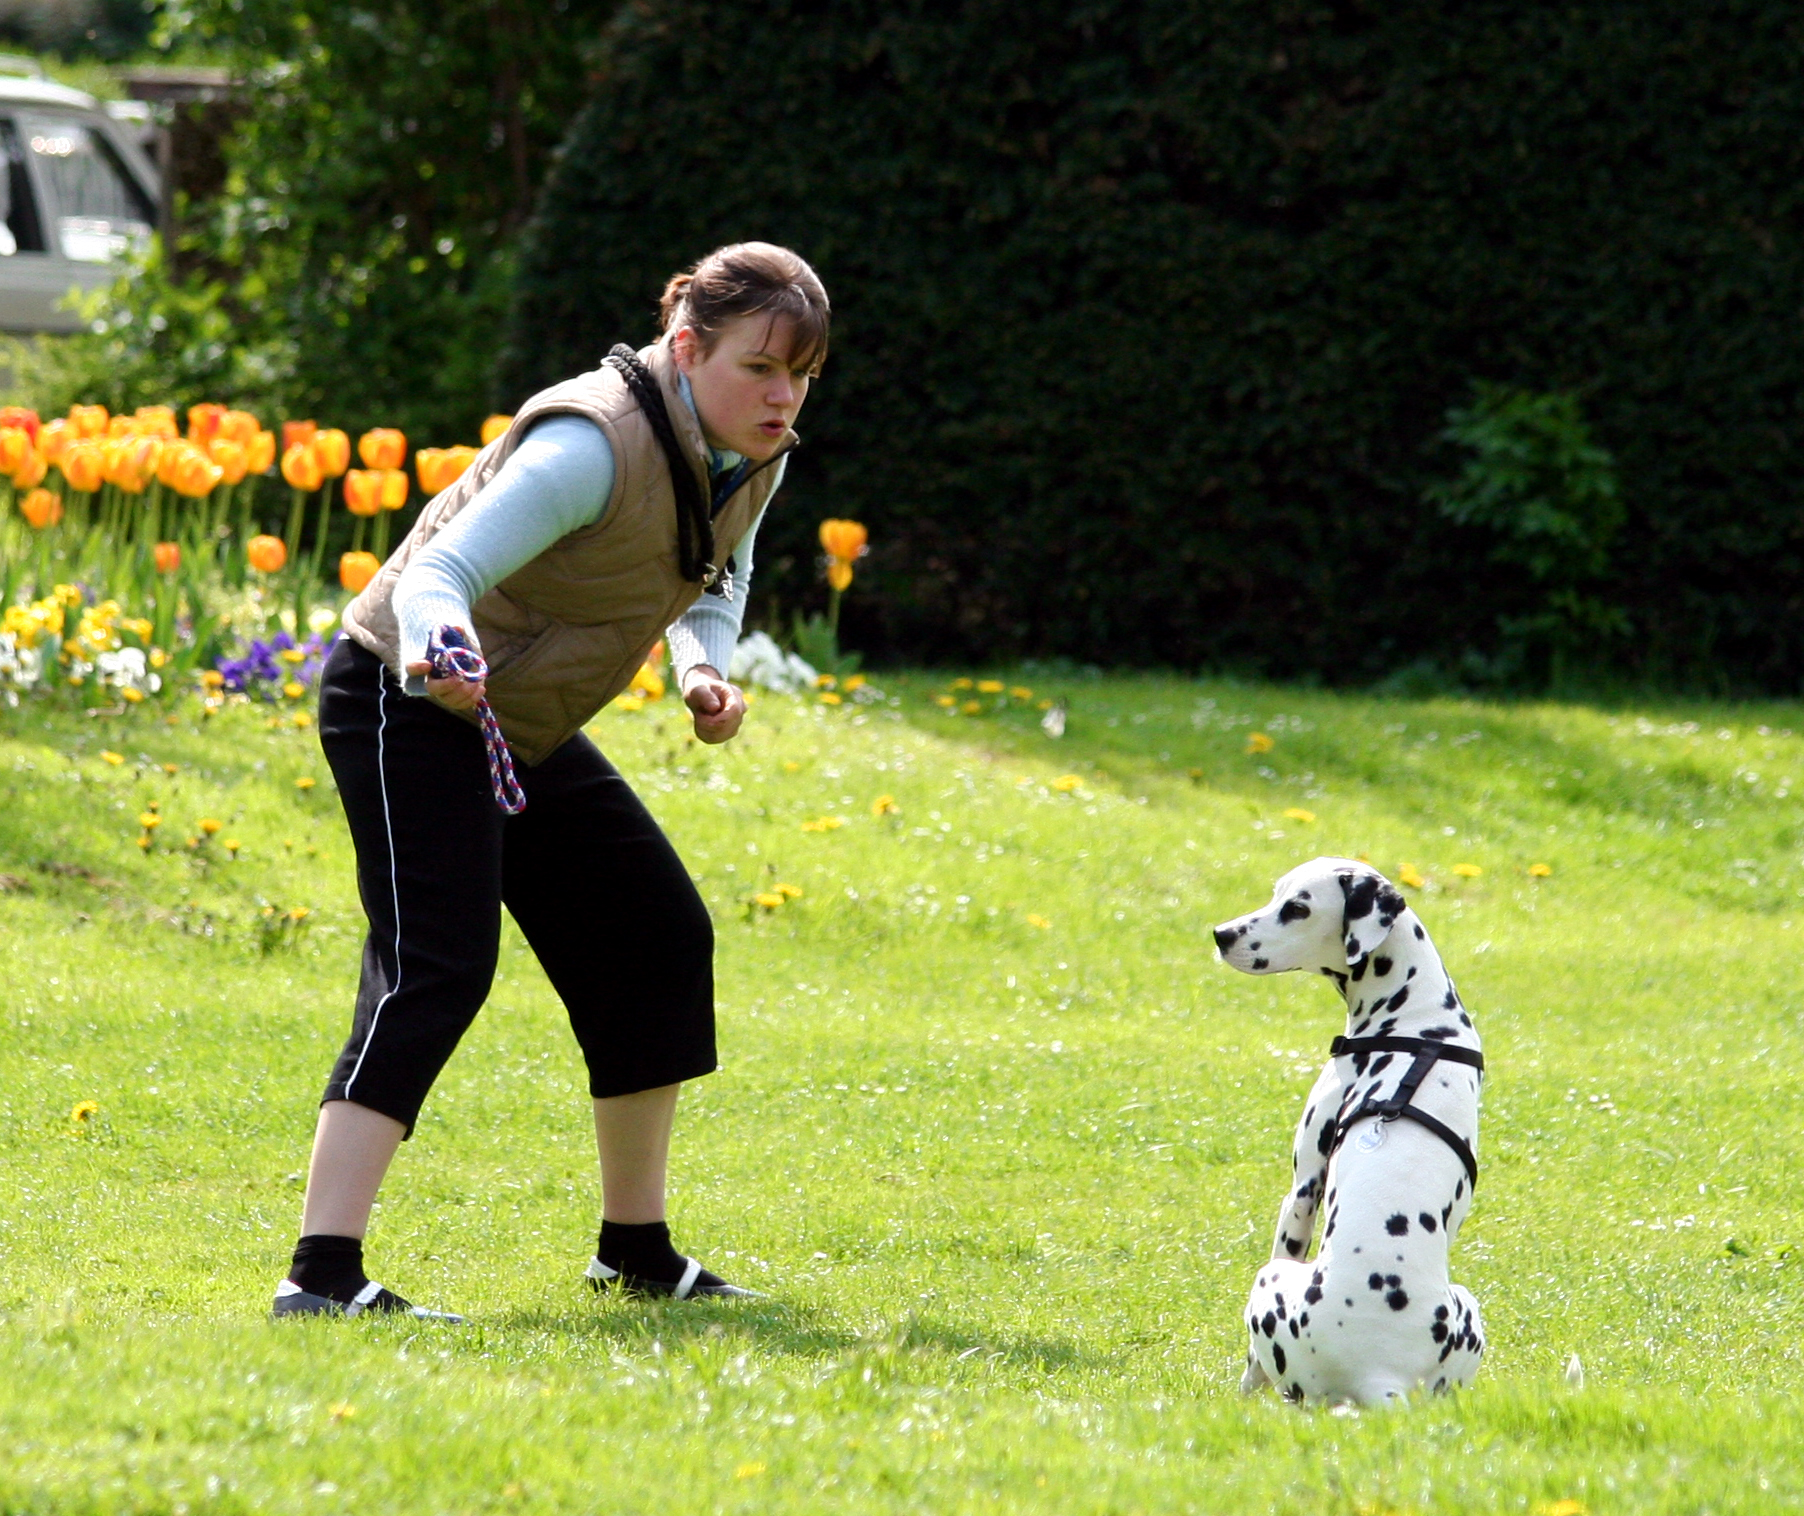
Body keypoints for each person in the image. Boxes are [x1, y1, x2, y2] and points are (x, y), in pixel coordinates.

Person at [272, 242, 829, 1319]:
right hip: (405, 692)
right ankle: (320, 1275)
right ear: (685, 347)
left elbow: (719, 573)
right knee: (435, 966)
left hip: (512, 722)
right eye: (761, 367)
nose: (782, 395)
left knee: (656, 931)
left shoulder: (755, 453)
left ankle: (635, 1251)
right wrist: (443, 644)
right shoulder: (590, 446)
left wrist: (703, 667)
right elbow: (439, 570)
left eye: (801, 373)